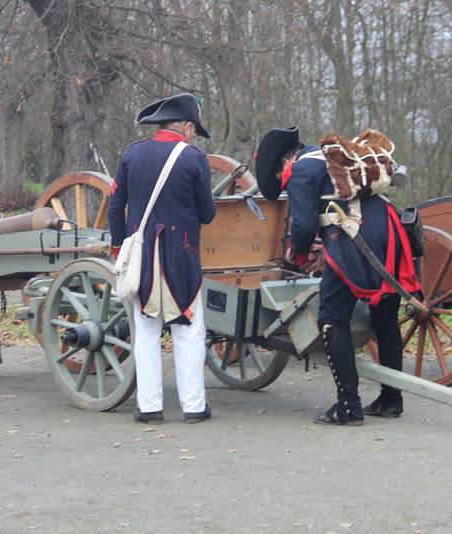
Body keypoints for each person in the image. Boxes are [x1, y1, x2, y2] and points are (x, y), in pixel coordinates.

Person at [255, 127, 422, 426]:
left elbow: (305, 226)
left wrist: (301, 257)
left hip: (354, 235)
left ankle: (348, 406)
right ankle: (391, 399)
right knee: (385, 317)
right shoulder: (332, 159)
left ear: (283, 164)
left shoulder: (302, 169)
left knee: (332, 318)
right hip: (388, 231)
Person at [108, 93, 216, 424]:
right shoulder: (194, 158)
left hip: (141, 255)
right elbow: (208, 215)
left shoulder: (132, 154)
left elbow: (115, 207)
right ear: (184, 126)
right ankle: (194, 407)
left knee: (146, 329)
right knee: (188, 329)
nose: (194, 133)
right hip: (181, 255)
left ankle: (150, 406)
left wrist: (118, 247)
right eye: (193, 127)